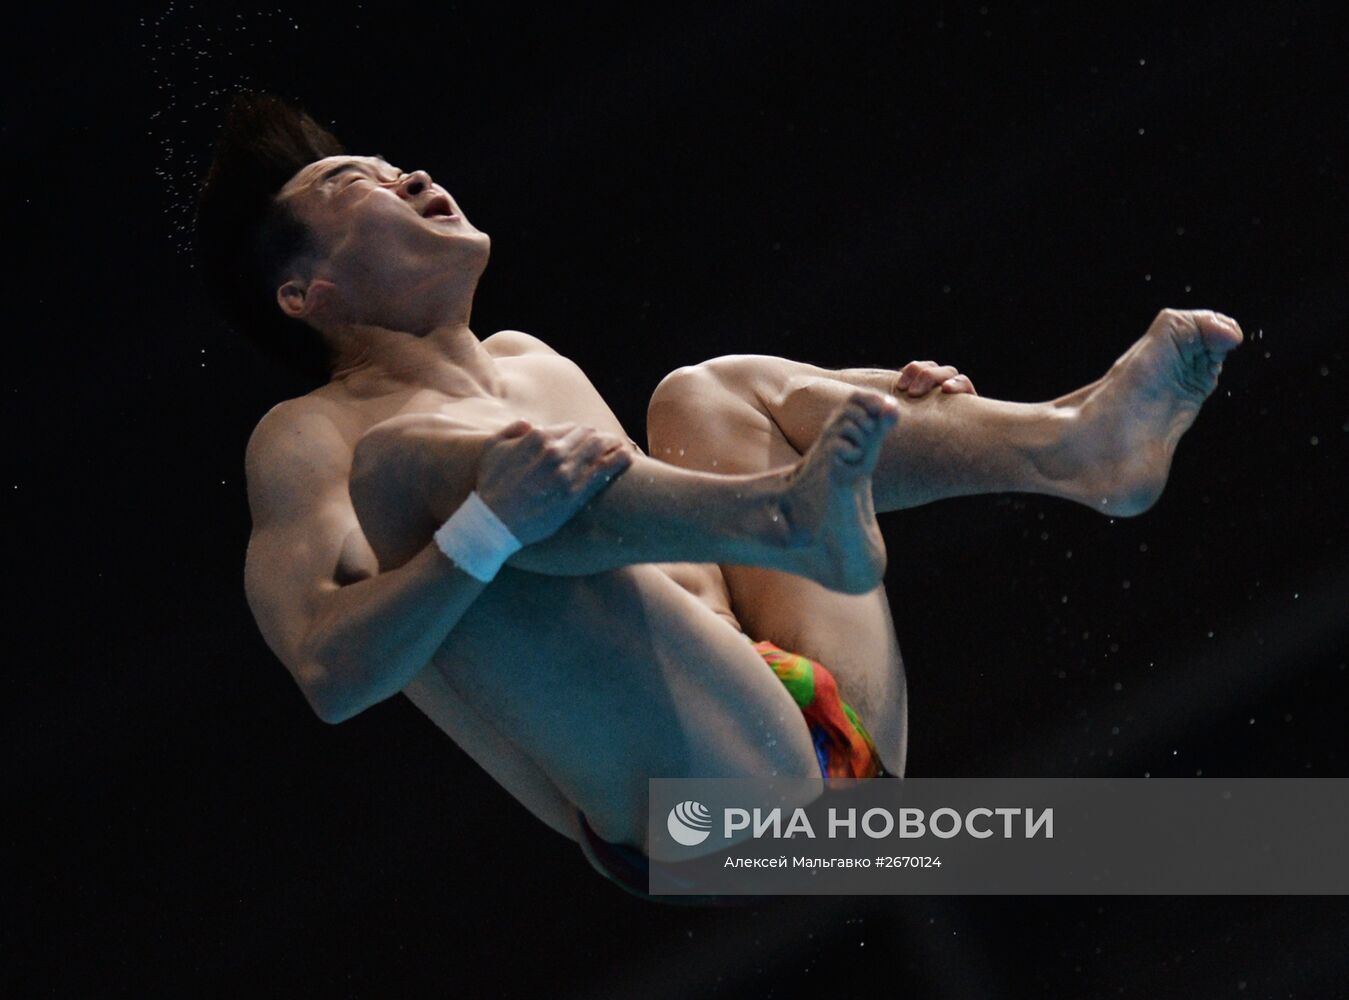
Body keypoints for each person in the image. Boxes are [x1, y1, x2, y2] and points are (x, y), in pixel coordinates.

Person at [195, 94, 1243, 897]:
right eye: (353, 185)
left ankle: (1072, 446)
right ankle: (784, 514)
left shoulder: (531, 364)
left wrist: (892, 404)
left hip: (828, 739)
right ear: (306, 295)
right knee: (409, 466)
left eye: (391, 162)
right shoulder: (312, 437)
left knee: (703, 394)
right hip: (703, 818)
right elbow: (333, 674)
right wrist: (480, 533)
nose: (410, 172)